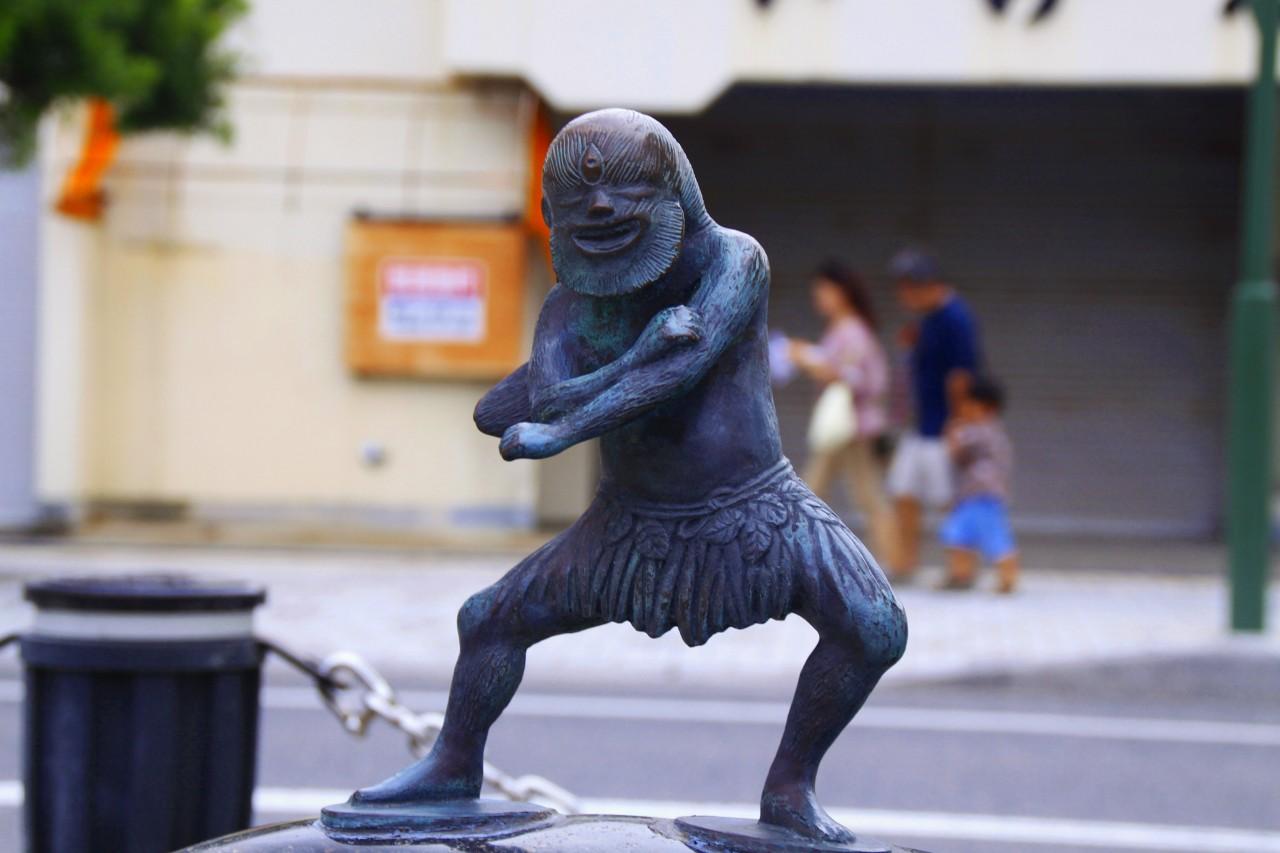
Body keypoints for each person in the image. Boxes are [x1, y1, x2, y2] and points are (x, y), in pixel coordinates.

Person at [788, 260, 897, 564]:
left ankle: (891, 560)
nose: (818, 298)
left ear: (842, 292)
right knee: (815, 491)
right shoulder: (844, 329)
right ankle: (800, 556)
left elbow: (852, 377)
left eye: (824, 291)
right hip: (843, 429)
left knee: (851, 495)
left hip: (852, 428)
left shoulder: (852, 331)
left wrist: (808, 360)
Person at [886, 247, 981, 579]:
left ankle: (962, 569)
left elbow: (961, 376)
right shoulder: (927, 320)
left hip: (944, 426)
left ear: (925, 285)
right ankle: (905, 564)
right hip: (919, 426)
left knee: (949, 499)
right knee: (903, 490)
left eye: (906, 288)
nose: (902, 296)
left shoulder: (956, 318)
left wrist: (958, 424)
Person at [939, 375, 1018, 593]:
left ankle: (1008, 577)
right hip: (973, 496)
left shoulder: (981, 430)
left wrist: (953, 433)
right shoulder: (993, 431)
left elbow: (958, 450)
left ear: (987, 408)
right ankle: (961, 574)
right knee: (958, 534)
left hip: (982, 495)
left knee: (993, 537)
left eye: (970, 404)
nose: (965, 409)